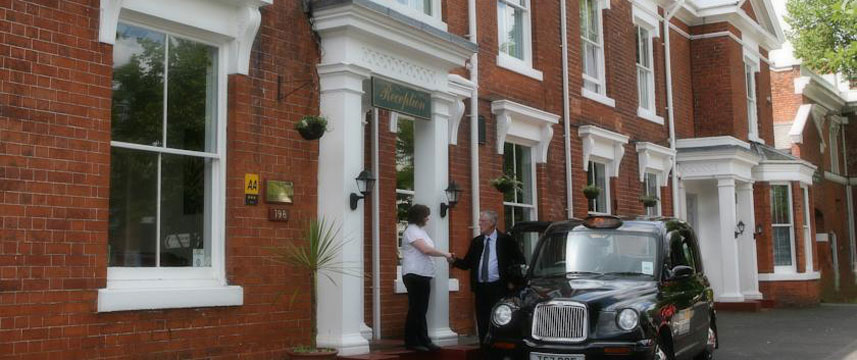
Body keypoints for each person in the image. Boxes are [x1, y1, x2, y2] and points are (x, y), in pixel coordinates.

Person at [452, 210, 525, 347]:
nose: (479, 224)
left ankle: (499, 350)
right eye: (480, 221)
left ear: (492, 223)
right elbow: (467, 263)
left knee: (500, 320)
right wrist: (454, 261)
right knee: (482, 320)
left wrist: (513, 283)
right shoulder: (477, 242)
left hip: (499, 287)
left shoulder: (506, 241)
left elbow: (520, 262)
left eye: (483, 221)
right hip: (481, 288)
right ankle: (484, 350)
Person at [401, 204, 454, 352]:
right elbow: (425, 250)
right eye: (426, 215)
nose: (428, 218)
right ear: (419, 217)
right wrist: (445, 254)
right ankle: (412, 341)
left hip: (423, 275)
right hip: (414, 274)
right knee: (416, 309)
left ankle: (423, 340)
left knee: (421, 309)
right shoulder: (411, 231)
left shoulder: (420, 231)